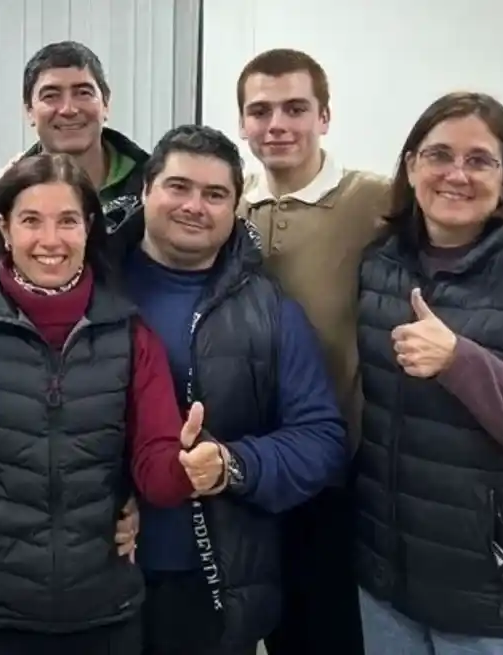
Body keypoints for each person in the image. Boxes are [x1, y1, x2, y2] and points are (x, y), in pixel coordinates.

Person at [0, 153, 203, 655]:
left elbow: (157, 478)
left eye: (68, 221)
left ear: (88, 228)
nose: (50, 240)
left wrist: (188, 466)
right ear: (3, 228)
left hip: (105, 621)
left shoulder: (132, 336)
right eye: (31, 221)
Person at [111, 124, 346, 654]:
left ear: (236, 208)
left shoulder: (270, 310)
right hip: (89, 573)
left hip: (210, 585)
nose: (195, 205)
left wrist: (233, 464)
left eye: (215, 194)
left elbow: (322, 439)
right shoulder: (89, 285)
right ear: (146, 190)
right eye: (178, 186)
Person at [356, 91, 503, 655]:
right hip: (385, 584)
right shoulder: (378, 263)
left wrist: (461, 360)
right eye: (438, 155)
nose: (457, 174)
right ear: (411, 167)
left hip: (489, 599)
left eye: (480, 160)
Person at [235, 48, 390, 655]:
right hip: (245, 469)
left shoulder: (371, 202)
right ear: (243, 123)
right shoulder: (227, 205)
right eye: (261, 110)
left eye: (295, 108)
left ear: (324, 116)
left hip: (336, 473)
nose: (277, 124)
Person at [0, 40, 150, 281]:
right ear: (29, 111)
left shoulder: (154, 195)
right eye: (51, 95)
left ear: (106, 103)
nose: (68, 109)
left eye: (83, 93)